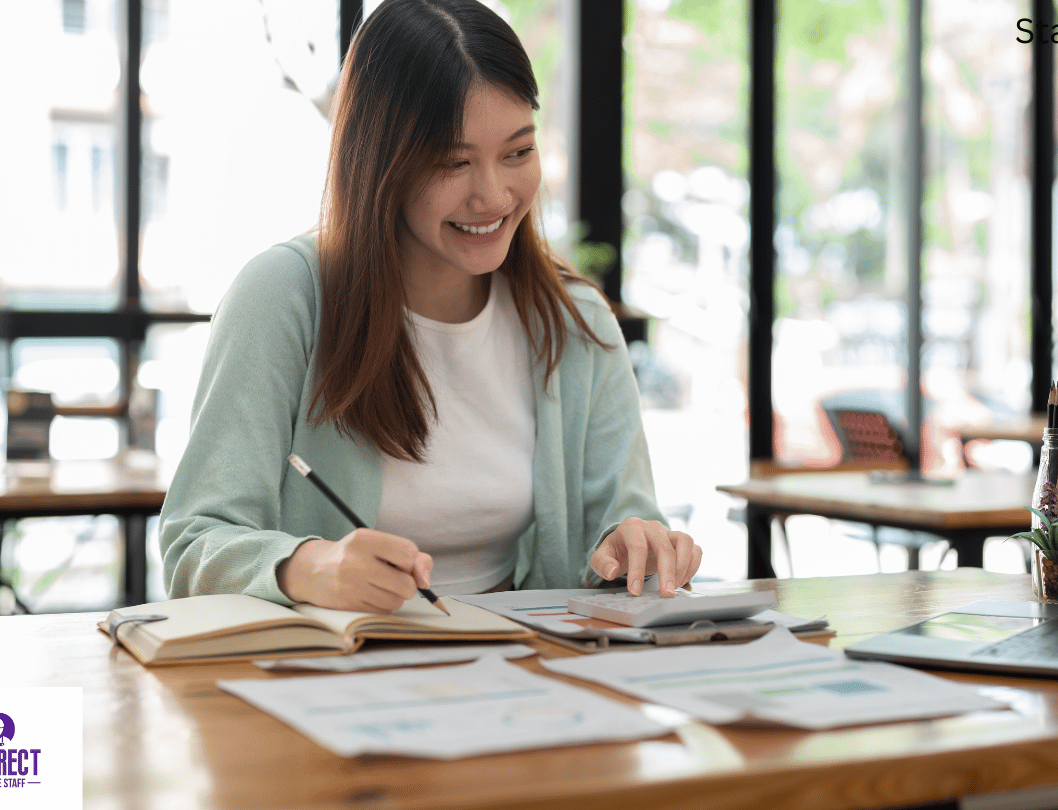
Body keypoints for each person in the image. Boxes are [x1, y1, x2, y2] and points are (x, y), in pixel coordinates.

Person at [158, 0, 701, 614]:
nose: (493, 195)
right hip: (331, 674)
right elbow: (194, 541)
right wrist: (312, 566)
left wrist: (634, 549)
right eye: (453, 162)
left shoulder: (574, 321)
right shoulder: (284, 297)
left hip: (525, 672)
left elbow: (619, 531)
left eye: (518, 153)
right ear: (381, 163)